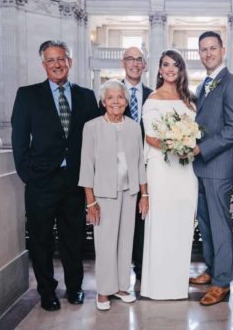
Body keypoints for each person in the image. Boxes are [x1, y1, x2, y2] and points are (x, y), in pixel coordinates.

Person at [11, 40, 99, 311]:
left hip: (74, 181)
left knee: (74, 239)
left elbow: (95, 139)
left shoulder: (86, 96)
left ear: (69, 62)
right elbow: (19, 138)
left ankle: (74, 288)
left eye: (61, 59)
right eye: (51, 60)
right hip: (41, 182)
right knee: (41, 240)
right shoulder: (27, 95)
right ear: (44, 64)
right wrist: (28, 175)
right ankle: (47, 290)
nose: (57, 64)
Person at [189, 31, 233, 306]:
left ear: (223, 50)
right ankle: (212, 269)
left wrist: (203, 148)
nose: (208, 53)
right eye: (203, 49)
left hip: (218, 167)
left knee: (220, 225)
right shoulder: (203, 86)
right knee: (206, 224)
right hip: (199, 167)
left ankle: (222, 282)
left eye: (213, 48)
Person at [78, 79, 148, 310]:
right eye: (111, 97)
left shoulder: (133, 126)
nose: (116, 101)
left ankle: (120, 287)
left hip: (129, 193)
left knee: (125, 241)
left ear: (127, 101)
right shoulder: (92, 127)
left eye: (120, 97)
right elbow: (86, 166)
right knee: (105, 243)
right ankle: (103, 291)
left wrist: (144, 195)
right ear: (103, 101)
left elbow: (139, 163)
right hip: (103, 194)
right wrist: (91, 201)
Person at [140, 50, 198, 300]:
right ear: (160, 70)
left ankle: (176, 286)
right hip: (161, 169)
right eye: (165, 65)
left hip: (186, 170)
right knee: (161, 223)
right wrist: (173, 146)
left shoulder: (190, 99)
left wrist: (187, 146)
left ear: (181, 69)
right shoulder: (152, 99)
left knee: (182, 224)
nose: (171, 69)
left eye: (175, 64)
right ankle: (157, 287)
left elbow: (195, 132)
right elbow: (150, 136)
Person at [120, 46, 153, 282]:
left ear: (145, 64)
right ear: (123, 63)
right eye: (130, 59)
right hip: (118, 169)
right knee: (119, 221)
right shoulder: (110, 94)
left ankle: (142, 268)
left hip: (148, 169)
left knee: (143, 220)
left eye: (139, 59)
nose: (134, 63)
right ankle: (119, 270)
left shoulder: (154, 96)